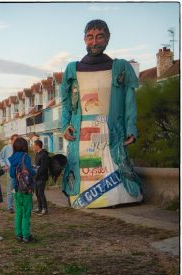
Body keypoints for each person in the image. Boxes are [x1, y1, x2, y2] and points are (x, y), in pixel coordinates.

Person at [61, 19, 143, 209]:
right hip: (82, 133)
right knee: (87, 167)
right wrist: (65, 126)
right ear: (84, 39)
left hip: (111, 130)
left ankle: (118, 196)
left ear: (108, 39)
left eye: (99, 37)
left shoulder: (120, 67)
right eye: (90, 37)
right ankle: (85, 197)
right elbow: (65, 102)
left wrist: (131, 128)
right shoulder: (72, 69)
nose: (94, 41)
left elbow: (129, 102)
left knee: (113, 163)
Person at [8, 137, 37, 244]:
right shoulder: (26, 157)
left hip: (16, 188)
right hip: (25, 189)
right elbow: (30, 172)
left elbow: (11, 174)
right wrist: (35, 170)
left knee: (19, 211)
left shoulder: (12, 157)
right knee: (26, 212)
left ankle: (18, 234)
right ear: (25, 146)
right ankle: (26, 236)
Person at [0, 134, 19, 213]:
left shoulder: (19, 148)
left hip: (19, 172)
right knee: (11, 189)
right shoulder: (6, 148)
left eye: (18, 140)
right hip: (10, 172)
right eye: (15, 140)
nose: (16, 141)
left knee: (17, 189)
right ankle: (10, 207)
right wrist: (4, 165)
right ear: (12, 140)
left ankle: (17, 205)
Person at [33, 140, 49, 215]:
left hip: (41, 177)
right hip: (36, 177)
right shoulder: (37, 154)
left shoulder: (44, 154)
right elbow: (37, 165)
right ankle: (39, 207)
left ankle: (44, 208)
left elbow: (43, 167)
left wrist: (37, 174)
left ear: (38, 146)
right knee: (37, 193)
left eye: (34, 145)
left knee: (41, 193)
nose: (33, 146)